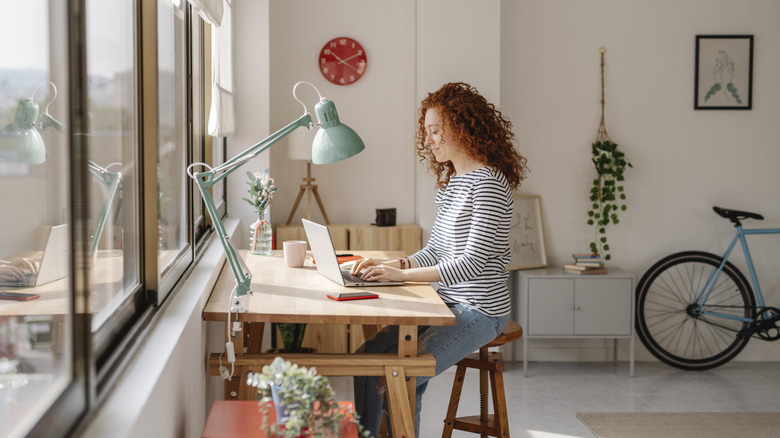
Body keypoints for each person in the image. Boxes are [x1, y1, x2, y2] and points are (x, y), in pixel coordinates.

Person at [351, 82, 528, 437]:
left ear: (461, 128)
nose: (429, 141)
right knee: (366, 360)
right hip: (446, 302)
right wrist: (394, 267)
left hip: (480, 310)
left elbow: (472, 264)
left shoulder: (490, 185)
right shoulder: (453, 184)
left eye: (435, 132)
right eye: (427, 132)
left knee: (405, 374)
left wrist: (399, 278)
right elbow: (436, 251)